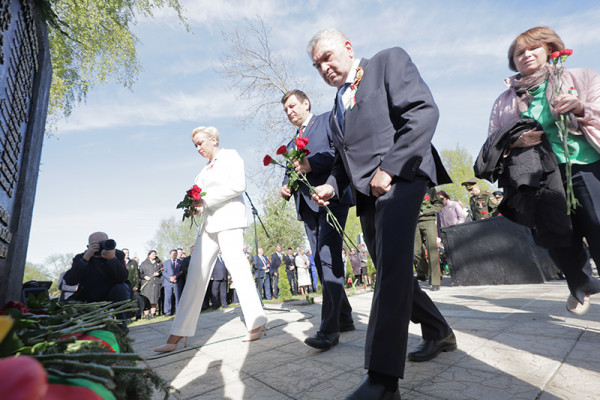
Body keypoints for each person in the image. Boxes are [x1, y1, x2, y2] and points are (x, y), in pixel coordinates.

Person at [308, 29, 456, 399]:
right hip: (368, 193)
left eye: (327, 57)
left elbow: (423, 112)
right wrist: (331, 185)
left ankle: (382, 380)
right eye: (316, 65)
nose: (324, 67)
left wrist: (389, 168)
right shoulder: (335, 111)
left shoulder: (387, 61)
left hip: (402, 175)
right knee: (393, 269)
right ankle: (439, 331)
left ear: (348, 47)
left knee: (390, 270)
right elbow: (343, 161)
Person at [487, 26, 600, 315]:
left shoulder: (581, 77)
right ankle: (581, 284)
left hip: (584, 165)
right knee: (557, 235)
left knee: (597, 224)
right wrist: (514, 141)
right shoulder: (504, 100)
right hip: (541, 175)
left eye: (533, 48)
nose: (526, 55)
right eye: (519, 53)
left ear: (549, 49)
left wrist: (580, 109)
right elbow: (493, 140)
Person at [155, 126, 267, 353]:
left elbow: (238, 185)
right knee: (195, 275)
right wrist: (195, 208)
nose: (198, 148)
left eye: (201, 143)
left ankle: (256, 321)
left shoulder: (231, 156)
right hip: (208, 226)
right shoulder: (202, 172)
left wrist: (205, 200)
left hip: (229, 220)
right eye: (195, 145)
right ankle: (178, 332)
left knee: (238, 268)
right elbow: (202, 201)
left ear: (214, 139)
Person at [280, 89, 355, 349]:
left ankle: (329, 330)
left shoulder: (327, 121)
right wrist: (286, 186)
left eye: (292, 106)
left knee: (327, 258)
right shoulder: (292, 143)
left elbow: (341, 152)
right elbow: (291, 171)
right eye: (286, 109)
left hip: (331, 198)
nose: (289, 112)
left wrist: (312, 164)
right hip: (307, 207)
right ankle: (344, 317)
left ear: (306, 103)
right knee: (322, 263)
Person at [63, 232, 131, 325]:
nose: (100, 246)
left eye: (103, 243)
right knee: (65, 306)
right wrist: (85, 259)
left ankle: (121, 322)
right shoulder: (81, 257)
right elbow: (70, 280)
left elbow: (122, 278)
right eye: (95, 244)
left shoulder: (117, 254)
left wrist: (112, 260)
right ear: (88, 246)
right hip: (89, 294)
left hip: (112, 294)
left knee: (121, 288)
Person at [414, 187, 444, 290]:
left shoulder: (429, 189)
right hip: (414, 222)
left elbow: (439, 204)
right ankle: (429, 272)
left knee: (432, 250)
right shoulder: (407, 190)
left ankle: (435, 281)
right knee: (416, 252)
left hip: (428, 220)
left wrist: (424, 211)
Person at [139, 250, 162, 319]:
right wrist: (144, 277)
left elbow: (162, 271)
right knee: (147, 300)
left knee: (154, 300)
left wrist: (159, 273)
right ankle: (146, 316)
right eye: (153, 254)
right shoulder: (144, 263)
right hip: (147, 285)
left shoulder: (158, 263)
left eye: (155, 254)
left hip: (156, 284)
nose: (154, 255)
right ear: (149, 255)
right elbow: (140, 273)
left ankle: (153, 314)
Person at [162, 249, 180, 316]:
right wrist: (170, 278)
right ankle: (167, 312)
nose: (174, 255)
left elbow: (182, 271)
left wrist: (175, 277)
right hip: (168, 283)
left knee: (178, 298)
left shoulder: (180, 262)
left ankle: (178, 311)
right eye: (173, 254)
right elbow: (164, 272)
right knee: (167, 298)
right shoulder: (166, 262)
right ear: (170, 255)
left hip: (177, 282)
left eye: (175, 253)